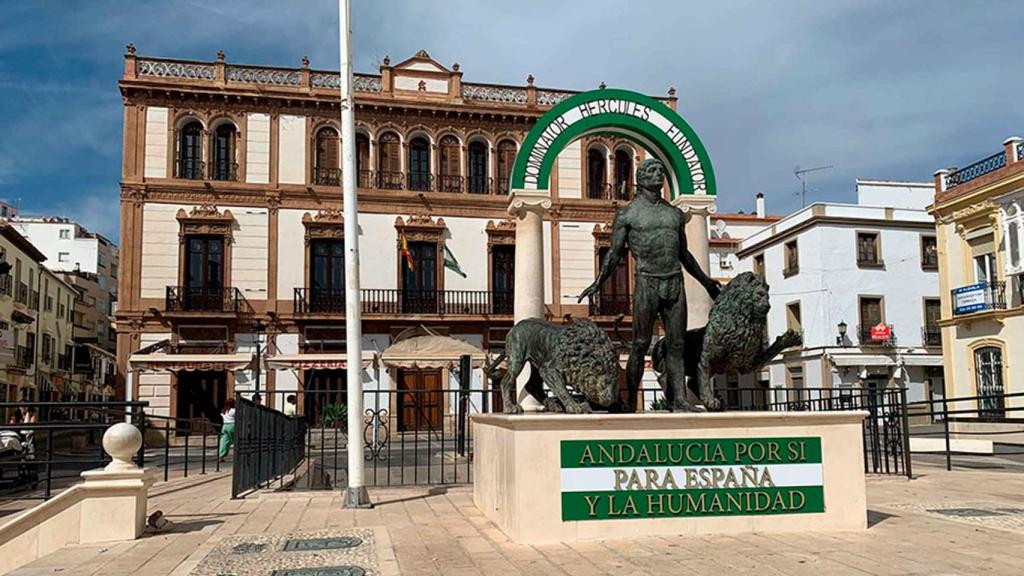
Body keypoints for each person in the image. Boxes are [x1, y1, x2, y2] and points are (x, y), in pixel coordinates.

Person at [578, 158, 720, 412]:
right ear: (640, 178)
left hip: (674, 282)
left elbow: (684, 254)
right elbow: (614, 254)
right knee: (641, 343)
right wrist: (598, 283)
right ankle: (631, 401)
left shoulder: (674, 214)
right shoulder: (628, 214)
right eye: (652, 171)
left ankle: (679, 400)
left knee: (677, 344)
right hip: (647, 282)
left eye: (661, 171)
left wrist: (705, 281)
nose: (658, 175)